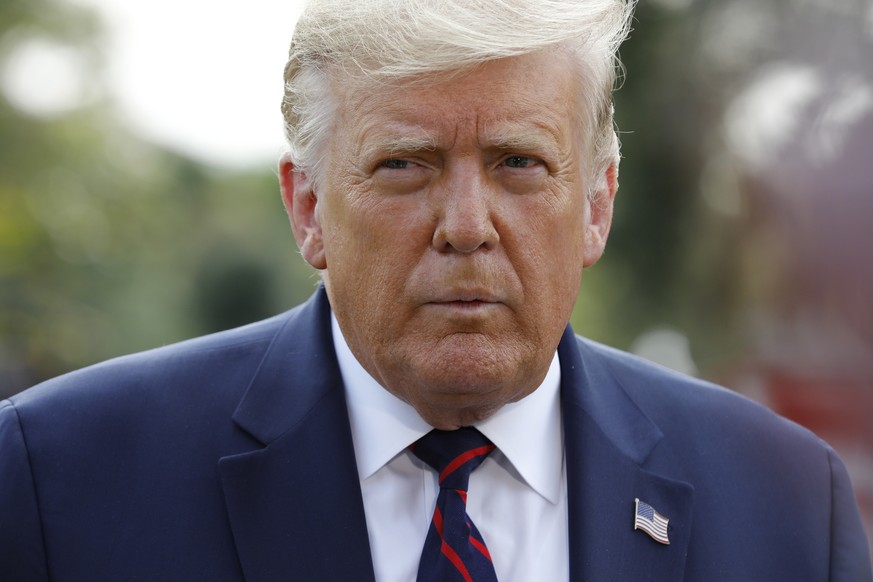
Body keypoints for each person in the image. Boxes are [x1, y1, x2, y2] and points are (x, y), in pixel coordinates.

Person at [1, 0, 871, 579]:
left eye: (518, 163)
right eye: (403, 165)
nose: (465, 222)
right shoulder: (56, 481)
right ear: (307, 207)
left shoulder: (786, 507)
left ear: (597, 205)